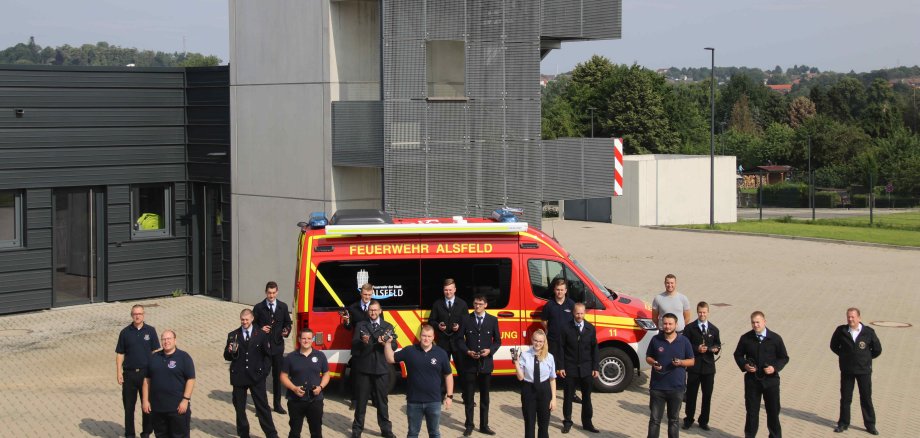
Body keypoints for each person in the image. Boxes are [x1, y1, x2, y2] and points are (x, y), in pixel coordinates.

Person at [383, 324, 454, 438]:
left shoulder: (441, 353)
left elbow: (448, 375)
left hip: (434, 401)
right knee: (412, 434)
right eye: (424, 336)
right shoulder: (410, 351)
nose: (426, 339)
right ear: (420, 336)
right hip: (414, 401)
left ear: (433, 337)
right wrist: (387, 343)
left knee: (434, 433)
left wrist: (449, 396)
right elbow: (390, 358)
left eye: (429, 336)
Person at [733, 311, 789, 438]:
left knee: (773, 412)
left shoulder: (775, 338)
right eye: (753, 322)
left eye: (758, 322)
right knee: (752, 412)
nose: (755, 325)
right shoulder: (746, 338)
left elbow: (784, 357)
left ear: (764, 321)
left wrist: (774, 368)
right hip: (752, 381)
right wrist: (745, 365)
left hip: (771, 382)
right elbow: (738, 354)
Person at [224, 309, 278, 438]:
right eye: (242, 320)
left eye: (247, 319)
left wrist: (264, 373)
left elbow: (267, 356)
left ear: (252, 319)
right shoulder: (233, 335)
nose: (244, 322)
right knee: (240, 409)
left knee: (263, 408)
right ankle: (243, 434)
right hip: (239, 377)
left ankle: (272, 434)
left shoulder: (260, 334)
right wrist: (230, 351)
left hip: (256, 377)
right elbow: (227, 356)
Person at [830, 307, 881, 435]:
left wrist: (866, 359)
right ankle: (843, 423)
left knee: (866, 398)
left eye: (853, 317)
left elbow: (877, 349)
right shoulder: (841, 331)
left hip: (864, 371)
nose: (850, 319)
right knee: (846, 398)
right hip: (847, 370)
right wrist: (844, 356)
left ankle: (870, 425)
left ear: (859, 317)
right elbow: (833, 346)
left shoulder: (868, 332)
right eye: (848, 317)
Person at [455, 294, 501, 436]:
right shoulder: (466, 319)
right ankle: (469, 424)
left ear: (486, 305)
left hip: (485, 363)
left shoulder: (492, 320)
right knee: (469, 396)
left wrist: (490, 351)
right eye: (475, 303)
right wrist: (467, 351)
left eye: (480, 304)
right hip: (469, 363)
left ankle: (484, 425)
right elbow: (459, 340)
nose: (477, 306)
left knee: (484, 397)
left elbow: (498, 341)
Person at [350, 300, 397, 438]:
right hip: (364, 369)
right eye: (371, 310)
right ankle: (357, 431)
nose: (373, 312)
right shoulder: (360, 325)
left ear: (380, 311)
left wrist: (386, 343)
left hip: (381, 370)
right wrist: (362, 342)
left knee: (382, 402)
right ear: (367, 311)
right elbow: (354, 345)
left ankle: (386, 430)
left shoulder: (387, 326)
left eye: (376, 310)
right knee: (361, 402)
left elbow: (394, 345)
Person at [645, 313, 695, 438]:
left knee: (673, 421)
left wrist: (681, 362)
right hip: (657, 388)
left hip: (676, 388)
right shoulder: (656, 339)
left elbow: (692, 361)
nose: (667, 326)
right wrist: (654, 362)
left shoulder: (684, 341)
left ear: (676, 325)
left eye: (670, 324)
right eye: (665, 323)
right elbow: (648, 357)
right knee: (655, 420)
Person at [116, 304, 160, 438]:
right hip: (129, 374)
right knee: (129, 408)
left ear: (144, 315)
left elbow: (156, 351)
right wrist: (118, 372)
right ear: (131, 315)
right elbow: (120, 353)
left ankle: (146, 432)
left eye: (140, 314)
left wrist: (157, 372)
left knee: (147, 405)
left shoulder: (151, 331)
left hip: (146, 375)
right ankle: (129, 434)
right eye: (135, 314)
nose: (137, 316)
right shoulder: (125, 332)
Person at [142, 330, 195, 438]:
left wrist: (185, 400)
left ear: (175, 340)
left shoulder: (184, 357)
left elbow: (191, 379)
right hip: (157, 409)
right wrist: (145, 400)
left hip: (177, 409)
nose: (166, 342)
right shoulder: (154, 357)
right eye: (164, 339)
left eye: (169, 339)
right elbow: (147, 380)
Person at [280, 328, 330, 438]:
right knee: (294, 432)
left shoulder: (320, 355)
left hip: (315, 400)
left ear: (312, 339)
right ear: (299, 339)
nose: (306, 341)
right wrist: (294, 388)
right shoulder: (290, 357)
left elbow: (326, 374)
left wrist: (320, 387)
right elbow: (283, 376)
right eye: (303, 338)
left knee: (316, 432)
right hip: (295, 400)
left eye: (309, 338)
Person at [558, 303, 600, 434]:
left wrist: (595, 367)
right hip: (570, 368)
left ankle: (587, 423)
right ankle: (567, 422)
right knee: (568, 396)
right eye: (577, 313)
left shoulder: (590, 328)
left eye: (582, 313)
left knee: (587, 397)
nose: (579, 316)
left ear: (584, 313)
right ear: (573, 313)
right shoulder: (565, 328)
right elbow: (561, 348)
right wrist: (561, 367)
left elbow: (595, 349)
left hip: (586, 368)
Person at [253, 281, 293, 414]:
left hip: (277, 348)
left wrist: (286, 330)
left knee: (277, 377)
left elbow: (288, 323)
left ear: (277, 292)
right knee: (262, 377)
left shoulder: (282, 306)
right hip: (263, 349)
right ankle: (262, 407)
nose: (271, 295)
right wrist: (260, 329)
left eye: (273, 293)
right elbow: (252, 326)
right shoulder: (259, 308)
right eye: (269, 293)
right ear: (266, 292)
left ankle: (277, 405)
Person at [342, 283, 384, 410]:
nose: (367, 297)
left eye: (369, 295)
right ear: (361, 293)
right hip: (359, 347)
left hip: (373, 347)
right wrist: (346, 321)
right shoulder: (353, 308)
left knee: (374, 375)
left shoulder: (376, 307)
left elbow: (381, 325)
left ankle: (375, 399)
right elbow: (349, 328)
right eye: (365, 294)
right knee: (356, 375)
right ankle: (355, 400)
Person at [682, 302, 721, 431]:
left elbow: (718, 345)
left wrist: (714, 349)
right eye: (700, 312)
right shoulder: (690, 328)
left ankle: (704, 421)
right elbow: (685, 346)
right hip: (694, 367)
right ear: (697, 312)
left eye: (704, 312)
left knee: (707, 396)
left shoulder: (714, 329)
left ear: (708, 312)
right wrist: (697, 348)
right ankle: (688, 419)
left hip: (709, 368)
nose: (702, 314)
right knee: (691, 394)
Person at [515, 329, 556, 438]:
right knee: (529, 424)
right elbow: (520, 377)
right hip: (529, 390)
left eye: (540, 341)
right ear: (532, 340)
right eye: (535, 340)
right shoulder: (525, 355)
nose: (537, 343)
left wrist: (554, 399)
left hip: (544, 391)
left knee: (543, 425)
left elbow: (552, 379)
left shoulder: (549, 357)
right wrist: (516, 364)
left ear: (544, 342)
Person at [427, 278, 468, 365]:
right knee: (442, 371)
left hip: (458, 343)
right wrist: (438, 326)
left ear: (455, 290)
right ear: (443, 290)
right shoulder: (437, 304)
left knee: (462, 371)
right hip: (443, 343)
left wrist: (458, 326)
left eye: (450, 290)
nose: (448, 292)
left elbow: (467, 322)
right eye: (446, 290)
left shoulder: (462, 304)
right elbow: (431, 321)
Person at [541, 278, 575, 371]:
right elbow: (543, 320)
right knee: (553, 363)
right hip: (553, 340)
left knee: (567, 362)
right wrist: (549, 329)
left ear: (565, 291)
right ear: (554, 290)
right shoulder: (549, 305)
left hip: (568, 340)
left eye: (561, 290)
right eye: (557, 289)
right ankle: (553, 380)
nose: (559, 292)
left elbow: (576, 320)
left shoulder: (571, 304)